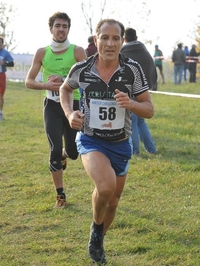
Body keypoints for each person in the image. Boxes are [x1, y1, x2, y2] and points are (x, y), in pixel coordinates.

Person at [60, 18, 154, 264]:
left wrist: (131, 103)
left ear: (122, 41)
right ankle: (96, 230)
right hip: (92, 140)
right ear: (95, 40)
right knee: (105, 187)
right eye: (105, 37)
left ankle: (98, 236)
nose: (110, 43)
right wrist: (70, 114)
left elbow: (149, 109)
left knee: (113, 202)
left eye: (115, 38)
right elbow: (64, 89)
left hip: (121, 143)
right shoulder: (82, 68)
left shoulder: (132, 70)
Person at [25, 12, 87, 208]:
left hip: (73, 106)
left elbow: (87, 81)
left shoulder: (78, 52)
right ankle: (60, 195)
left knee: (73, 152)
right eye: (58, 26)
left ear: (69, 29)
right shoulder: (42, 53)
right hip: (51, 106)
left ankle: (64, 154)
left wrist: (65, 83)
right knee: (53, 149)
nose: (61, 29)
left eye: (65, 26)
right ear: (51, 28)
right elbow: (29, 81)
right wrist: (46, 86)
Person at [120, 27, 157, 155]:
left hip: (130, 91)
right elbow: (153, 70)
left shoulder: (123, 53)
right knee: (141, 121)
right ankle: (151, 149)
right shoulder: (145, 52)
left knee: (133, 121)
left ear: (124, 39)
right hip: (144, 91)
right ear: (136, 38)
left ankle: (135, 151)